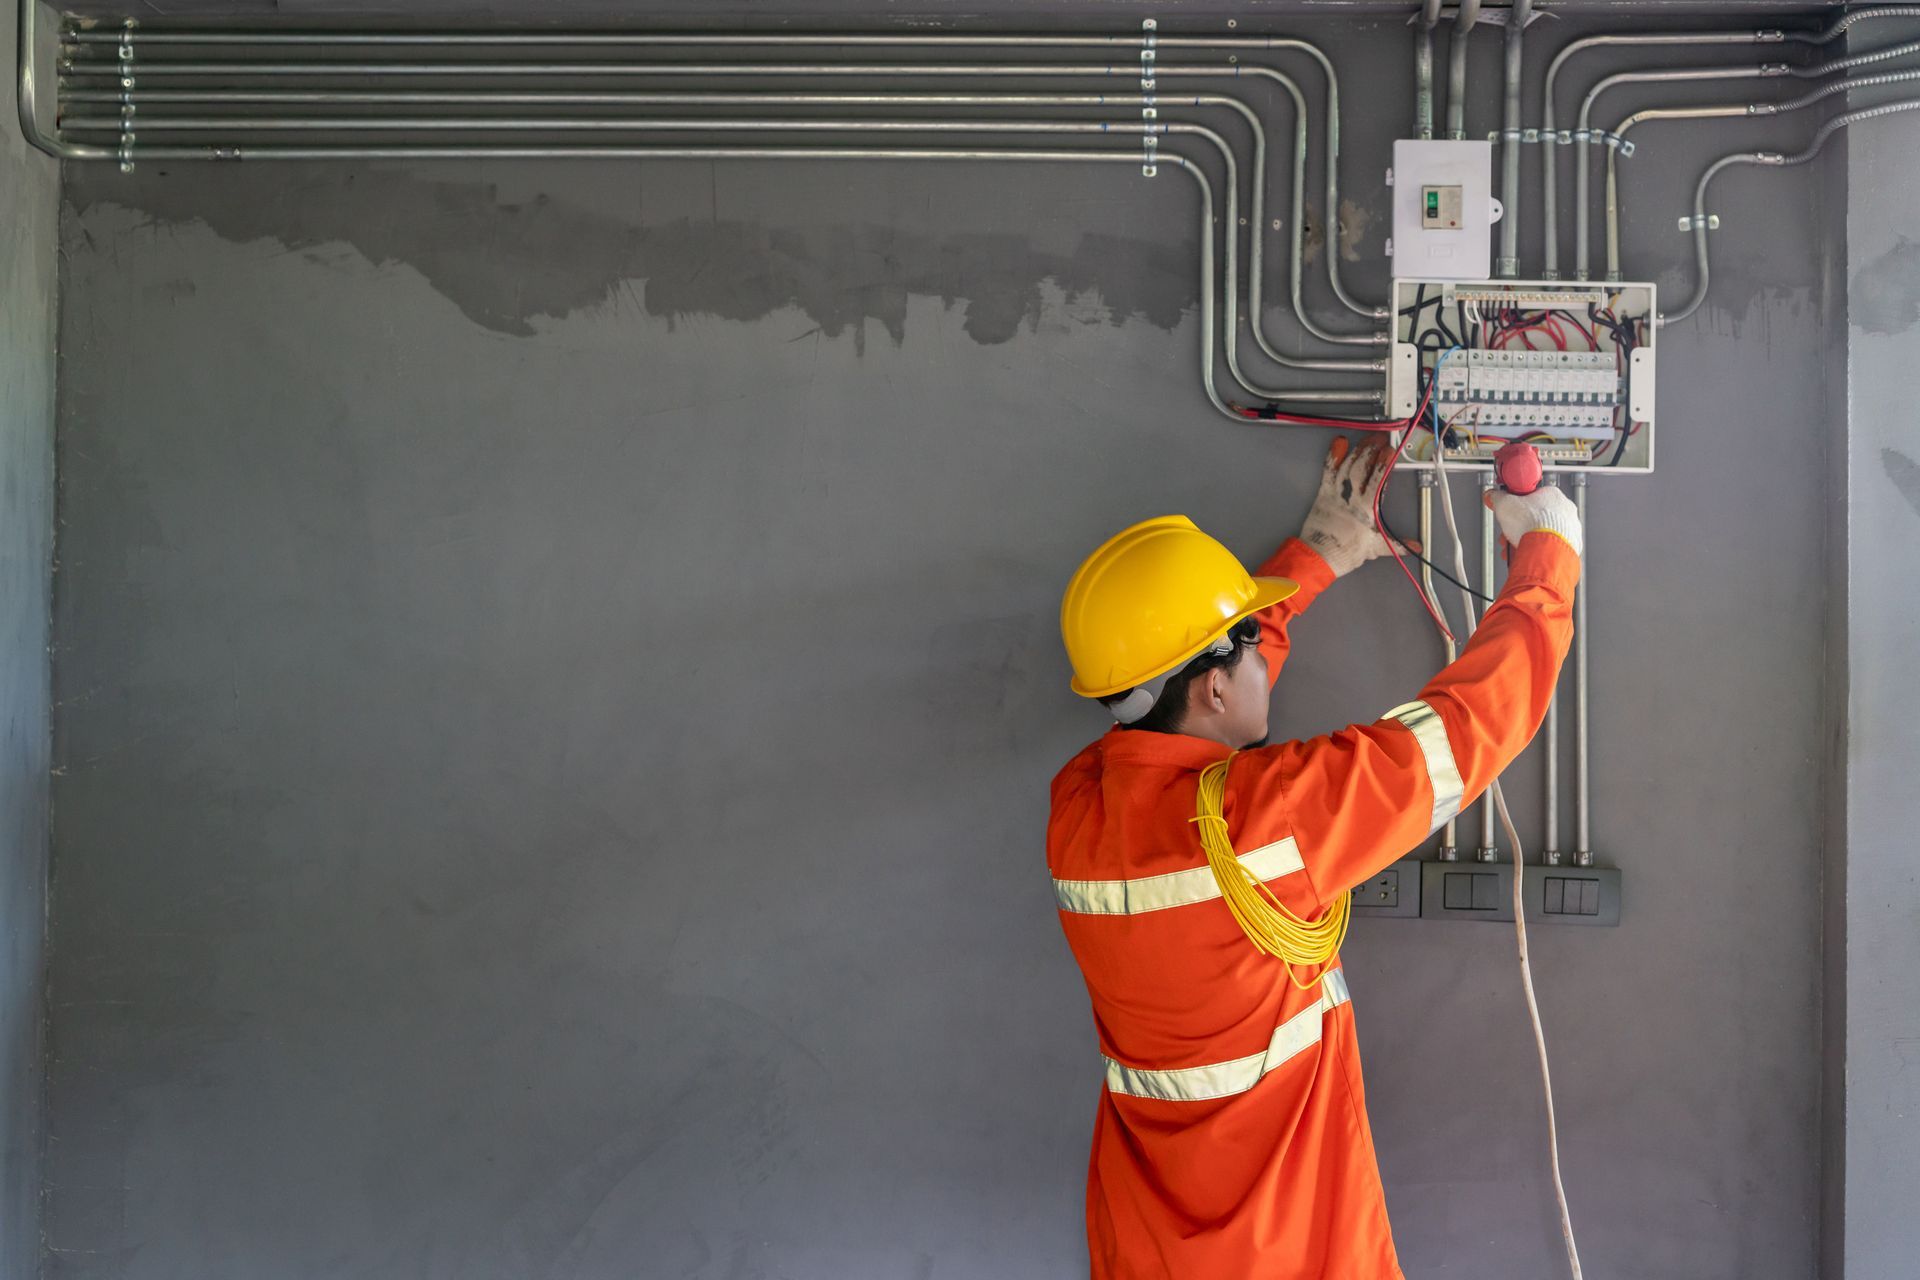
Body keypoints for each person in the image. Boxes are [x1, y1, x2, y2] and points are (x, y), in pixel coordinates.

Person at [1049, 437, 1583, 1279]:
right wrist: (1548, 555)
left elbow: (1182, 718)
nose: (1265, 649)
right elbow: (1468, 727)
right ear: (1216, 687)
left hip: (1148, 1239)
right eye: (1251, 640)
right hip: (1285, 1240)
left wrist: (1317, 558)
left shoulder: (1078, 812)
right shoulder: (1264, 827)